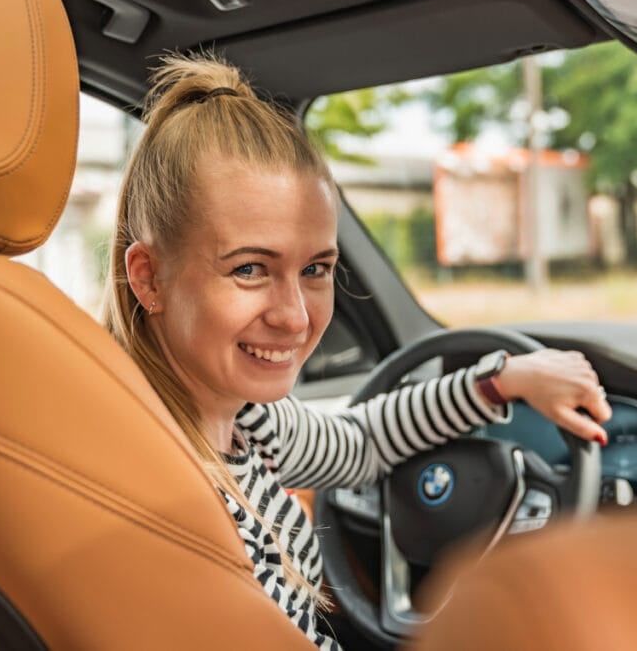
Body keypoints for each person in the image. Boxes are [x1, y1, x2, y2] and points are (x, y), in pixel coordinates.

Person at [101, 52, 611, 650]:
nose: (294, 317)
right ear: (149, 278)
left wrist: (502, 381)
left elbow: (361, 444)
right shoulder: (168, 498)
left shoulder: (244, 421)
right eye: (248, 269)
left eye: (315, 268)